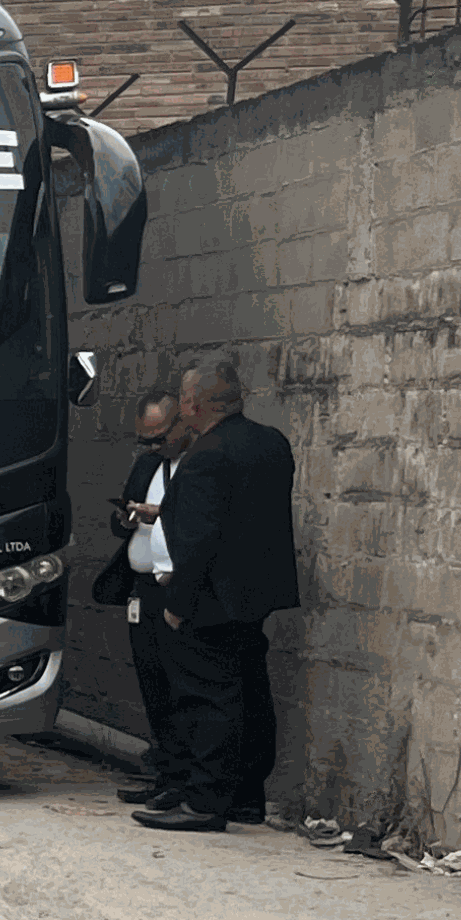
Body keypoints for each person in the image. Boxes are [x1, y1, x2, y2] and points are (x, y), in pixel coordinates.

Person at [136, 351, 298, 832]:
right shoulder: (271, 443)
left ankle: (206, 801)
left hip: (210, 598)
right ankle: (248, 798)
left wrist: (178, 604)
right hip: (255, 595)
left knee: (208, 700)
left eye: (185, 396)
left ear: (193, 403)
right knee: (250, 694)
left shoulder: (206, 456)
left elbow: (201, 539)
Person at [88, 385, 186, 807]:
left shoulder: (197, 466)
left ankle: (184, 779)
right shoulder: (148, 466)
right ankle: (163, 771)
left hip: (177, 585)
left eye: (159, 438)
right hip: (142, 585)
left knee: (179, 684)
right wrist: (126, 518)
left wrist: (160, 514)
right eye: (145, 439)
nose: (152, 447)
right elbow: (119, 521)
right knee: (152, 682)